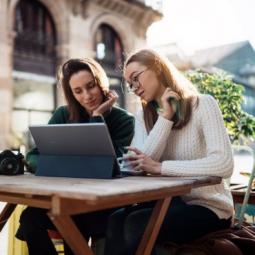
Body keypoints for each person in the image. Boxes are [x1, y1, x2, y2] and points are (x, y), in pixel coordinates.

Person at [103, 49, 234, 255]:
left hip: (210, 207)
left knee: (136, 225)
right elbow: (136, 165)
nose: (134, 87)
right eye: (130, 84)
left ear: (157, 67)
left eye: (136, 78)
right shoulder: (143, 116)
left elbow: (223, 164)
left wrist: (160, 167)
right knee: (115, 219)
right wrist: (165, 119)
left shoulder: (203, 104)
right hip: (166, 203)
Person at [16, 58, 134, 255]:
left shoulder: (124, 121)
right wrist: (76, 164)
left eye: (91, 86)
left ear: (101, 83)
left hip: (105, 206)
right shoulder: (63, 115)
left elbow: (110, 167)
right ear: (71, 94)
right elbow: (33, 157)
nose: (87, 96)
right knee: (30, 218)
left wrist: (97, 116)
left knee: (75, 229)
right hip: (67, 201)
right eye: (78, 91)